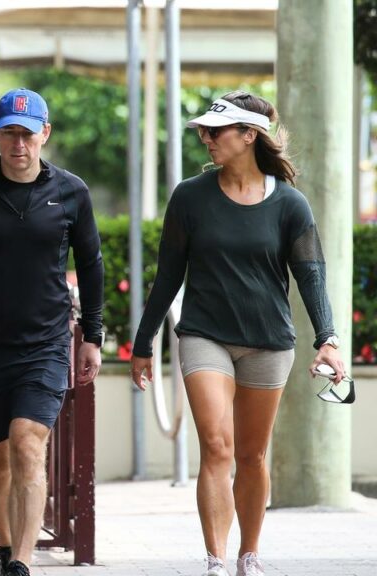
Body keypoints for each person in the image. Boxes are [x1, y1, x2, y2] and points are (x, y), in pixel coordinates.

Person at [130, 90, 345, 576]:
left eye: (216, 131)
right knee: (217, 445)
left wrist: (328, 340)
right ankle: (216, 560)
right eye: (204, 130)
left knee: (251, 455)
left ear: (249, 135)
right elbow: (167, 275)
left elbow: (311, 276)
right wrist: (144, 344)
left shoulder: (291, 204)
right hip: (205, 334)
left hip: (269, 342)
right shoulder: (189, 197)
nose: (206, 138)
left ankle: (249, 554)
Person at [0, 88, 105, 576]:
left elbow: (91, 266)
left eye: (28, 134)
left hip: (46, 341)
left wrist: (90, 335)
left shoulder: (72, 192)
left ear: (44, 134)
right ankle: (8, 544)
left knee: (28, 441)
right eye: (9, 133)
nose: (19, 144)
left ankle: (22, 564)